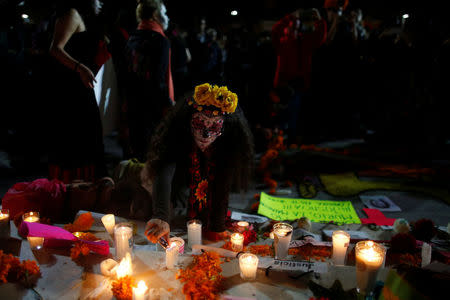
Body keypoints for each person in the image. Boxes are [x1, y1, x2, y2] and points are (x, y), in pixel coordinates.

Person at [144, 83, 254, 243]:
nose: (206, 134)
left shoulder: (227, 143)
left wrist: (217, 227)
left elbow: (223, 184)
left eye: (215, 126)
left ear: (226, 126)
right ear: (187, 121)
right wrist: (161, 216)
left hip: (195, 187)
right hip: (176, 183)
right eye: (199, 123)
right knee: (146, 202)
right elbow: (164, 170)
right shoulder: (177, 136)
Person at [48, 0, 107, 183]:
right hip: (73, 92)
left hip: (79, 88)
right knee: (78, 142)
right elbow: (55, 49)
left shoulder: (81, 17)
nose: (100, 2)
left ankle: (83, 190)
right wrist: (81, 68)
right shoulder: (72, 14)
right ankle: (73, 191)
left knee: (85, 141)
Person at [123, 0, 175, 162]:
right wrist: (168, 103)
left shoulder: (132, 38)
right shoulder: (160, 41)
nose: (166, 17)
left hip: (133, 104)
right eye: (164, 13)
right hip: (153, 107)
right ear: (155, 15)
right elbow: (159, 78)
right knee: (153, 154)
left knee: (137, 153)